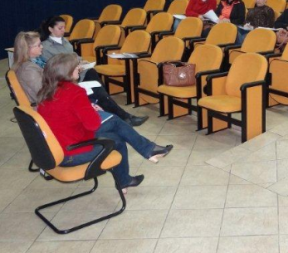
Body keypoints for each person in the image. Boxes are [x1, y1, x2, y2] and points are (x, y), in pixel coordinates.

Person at [36, 53, 173, 193]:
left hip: (54, 147)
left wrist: (85, 109)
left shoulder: (47, 90)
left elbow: (65, 115)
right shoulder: (75, 92)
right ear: (67, 71)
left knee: (116, 134)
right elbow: (93, 125)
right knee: (115, 127)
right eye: (76, 66)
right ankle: (146, 154)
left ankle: (129, 175)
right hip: (70, 152)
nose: (79, 68)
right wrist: (91, 110)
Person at [11, 32, 148, 126]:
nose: (42, 47)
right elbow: (44, 93)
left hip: (55, 95)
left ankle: (120, 116)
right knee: (96, 92)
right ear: (28, 48)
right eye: (38, 45)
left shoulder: (34, 62)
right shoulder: (29, 69)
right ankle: (120, 117)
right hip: (51, 104)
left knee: (93, 82)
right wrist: (69, 82)